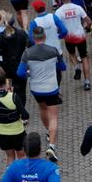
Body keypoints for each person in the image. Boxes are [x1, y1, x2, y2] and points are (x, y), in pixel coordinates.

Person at [17, 27, 66, 162]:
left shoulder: (27, 53)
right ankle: (51, 146)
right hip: (52, 88)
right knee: (54, 116)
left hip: (36, 89)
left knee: (43, 109)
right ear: (44, 37)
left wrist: (29, 72)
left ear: (33, 38)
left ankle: (49, 132)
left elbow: (20, 73)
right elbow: (63, 67)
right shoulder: (53, 50)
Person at [0, 67, 29, 167]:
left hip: (2, 133)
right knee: (21, 156)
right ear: (6, 81)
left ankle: (11, 179)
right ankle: (22, 180)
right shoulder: (14, 97)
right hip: (18, 132)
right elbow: (25, 115)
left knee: (10, 157)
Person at [56, 0, 92, 90]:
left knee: (72, 54)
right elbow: (88, 21)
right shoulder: (78, 8)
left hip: (69, 37)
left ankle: (76, 67)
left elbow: (58, 27)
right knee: (84, 57)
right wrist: (87, 27)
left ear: (61, 0)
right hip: (80, 36)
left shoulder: (58, 12)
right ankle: (87, 82)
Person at [0, 16, 30, 107]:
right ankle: (21, 109)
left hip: (7, 67)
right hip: (21, 65)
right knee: (21, 90)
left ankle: (10, 105)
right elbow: (29, 44)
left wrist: (3, 60)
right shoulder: (22, 33)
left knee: (7, 86)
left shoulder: (1, 36)